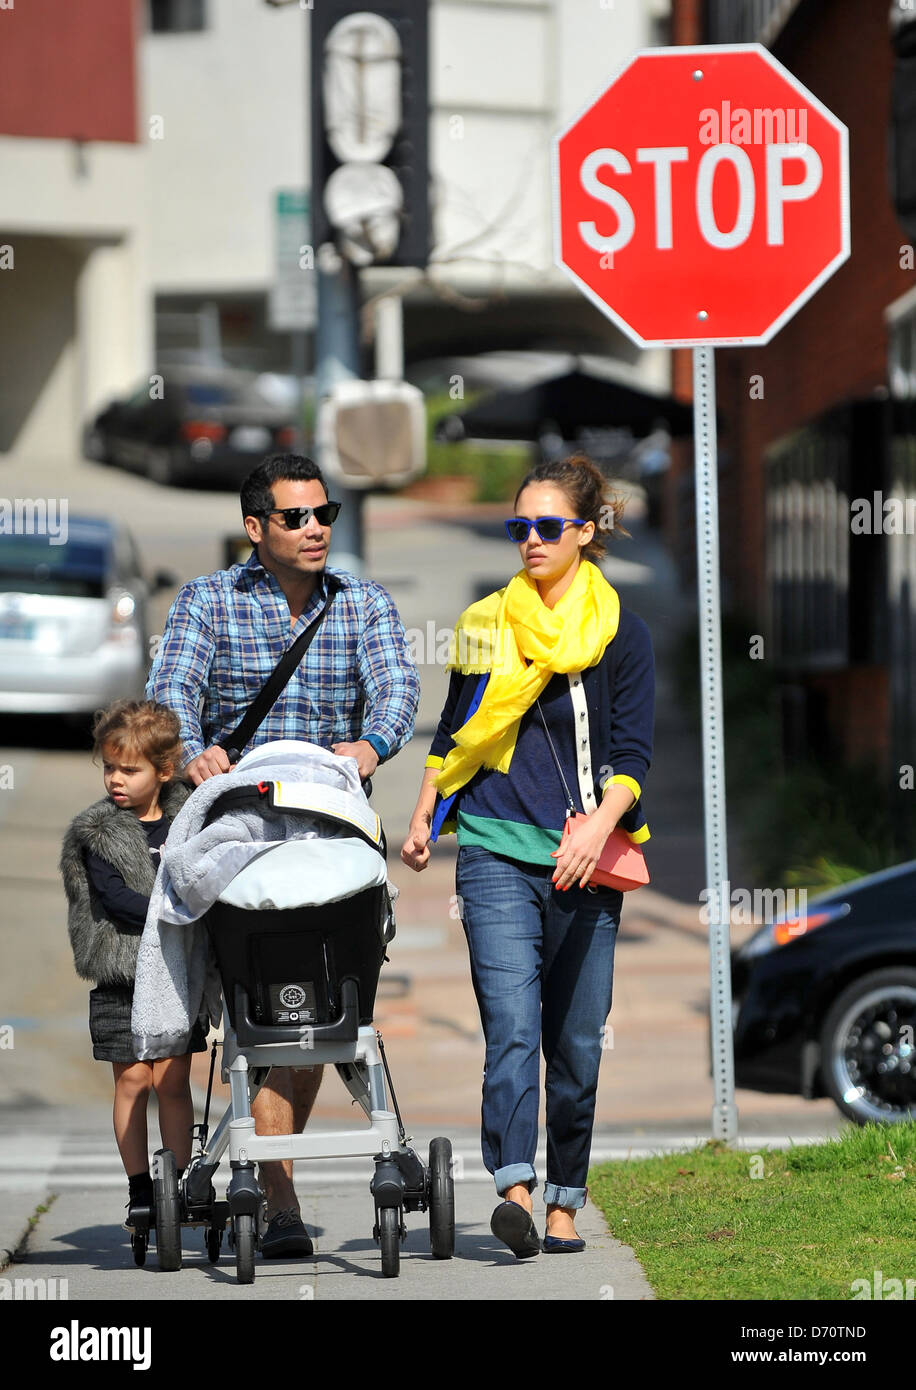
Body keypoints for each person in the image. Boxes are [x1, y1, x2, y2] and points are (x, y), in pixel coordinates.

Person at [147, 452, 419, 1257]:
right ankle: (279, 1194)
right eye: (295, 517)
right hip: (240, 830)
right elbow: (170, 695)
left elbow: (398, 689)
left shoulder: (362, 601)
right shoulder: (206, 602)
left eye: (323, 514)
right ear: (255, 526)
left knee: (318, 1009)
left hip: (330, 829)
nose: (314, 530)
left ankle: (276, 1186)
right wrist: (194, 753)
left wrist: (369, 747)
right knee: (258, 1010)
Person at [401, 455, 654, 1258]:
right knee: (511, 1029)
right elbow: (457, 730)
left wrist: (596, 826)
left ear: (585, 532)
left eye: (549, 527)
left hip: (588, 856)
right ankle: (514, 1186)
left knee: (576, 1045)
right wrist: (421, 815)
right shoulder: (485, 622)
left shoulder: (622, 630)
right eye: (520, 528)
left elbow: (634, 754)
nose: (532, 541)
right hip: (493, 850)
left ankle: (564, 1199)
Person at [60, 699, 203, 1231]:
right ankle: (140, 1188)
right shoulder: (98, 832)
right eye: (109, 767)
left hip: (175, 972)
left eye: (129, 769)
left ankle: (186, 1181)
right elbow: (114, 896)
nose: (115, 779)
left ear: (164, 771)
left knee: (172, 1080)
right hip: (123, 976)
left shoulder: (190, 818)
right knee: (133, 1081)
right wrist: (174, 911)